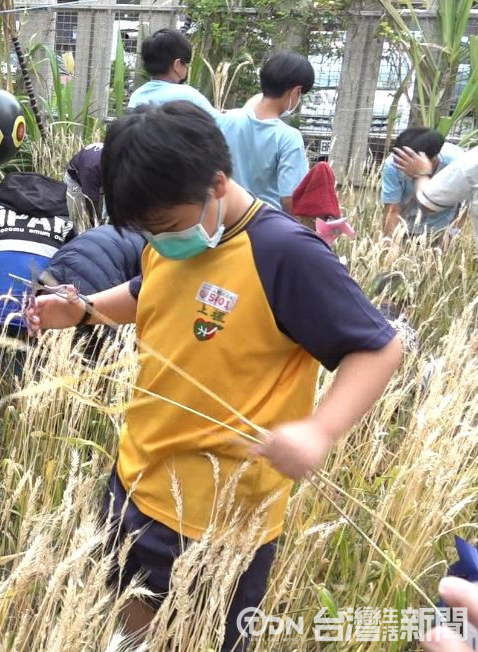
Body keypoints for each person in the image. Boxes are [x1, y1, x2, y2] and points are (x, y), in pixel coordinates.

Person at [27, 101, 402, 651]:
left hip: (221, 518)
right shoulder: (175, 236)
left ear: (217, 184)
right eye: (147, 232)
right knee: (130, 626)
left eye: (164, 227)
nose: (157, 241)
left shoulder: (283, 254)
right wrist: (83, 310)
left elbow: (378, 348)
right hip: (136, 478)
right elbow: (149, 291)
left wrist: (320, 431)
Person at [0, 172, 74, 407]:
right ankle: (25, 421)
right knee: (31, 379)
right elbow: (72, 264)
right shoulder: (66, 225)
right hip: (39, 310)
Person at [217, 51, 314, 214]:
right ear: (295, 91)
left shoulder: (226, 119)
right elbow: (290, 199)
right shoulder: (288, 137)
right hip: (266, 221)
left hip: (225, 218)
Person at [42, 224, 146, 360]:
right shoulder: (152, 248)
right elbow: (141, 294)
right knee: (107, 348)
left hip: (58, 270)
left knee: (55, 342)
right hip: (97, 278)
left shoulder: (113, 229)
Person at [384, 127, 466, 240]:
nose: (403, 167)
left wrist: (452, 233)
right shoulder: (394, 165)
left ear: (432, 160)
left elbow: (466, 206)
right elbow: (392, 212)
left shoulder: (458, 164)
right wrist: (389, 244)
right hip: (405, 226)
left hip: (442, 228)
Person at [395, 144, 478, 244]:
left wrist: (421, 175)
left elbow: (427, 203)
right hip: (410, 228)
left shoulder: (462, 160)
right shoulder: (470, 161)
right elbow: (392, 211)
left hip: (440, 228)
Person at [127, 28, 217, 117]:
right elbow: (218, 122)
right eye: (186, 64)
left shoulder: (137, 96)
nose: (187, 68)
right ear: (177, 65)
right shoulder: (188, 95)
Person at [64, 143, 106, 228]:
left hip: (100, 175)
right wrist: (96, 224)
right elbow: (91, 203)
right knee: (74, 220)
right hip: (75, 181)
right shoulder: (91, 168)